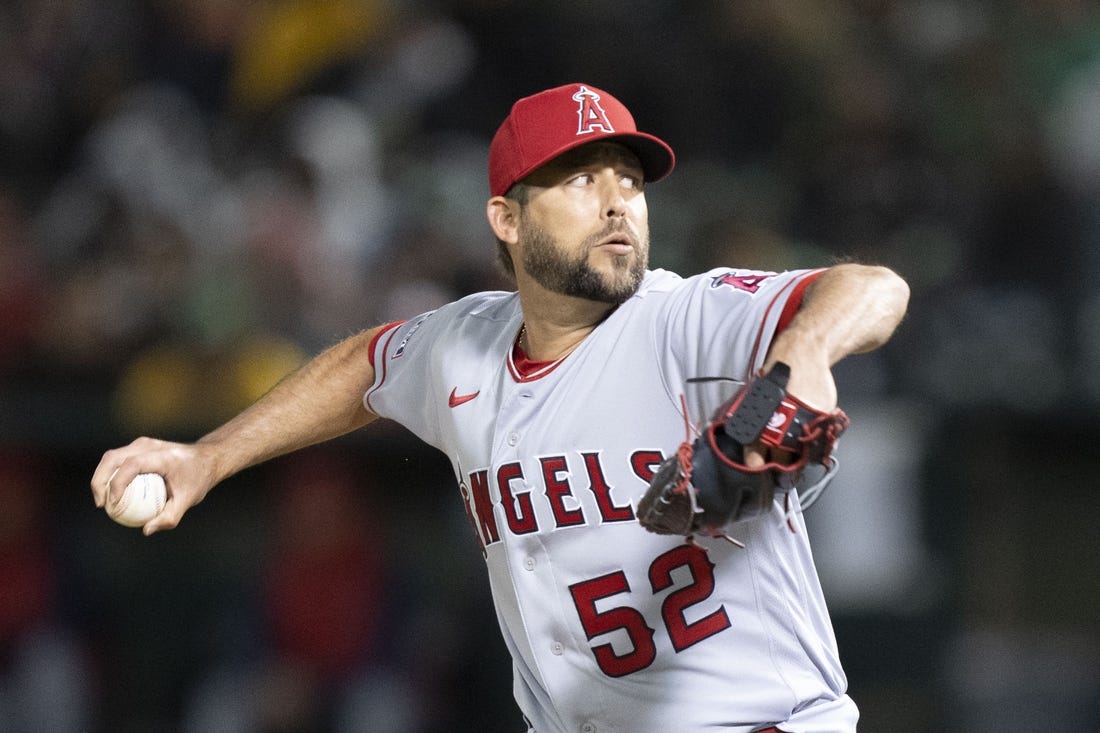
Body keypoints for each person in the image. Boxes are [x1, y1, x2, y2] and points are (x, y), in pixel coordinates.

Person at [92, 82, 910, 733]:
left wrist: (800, 356)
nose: (618, 200)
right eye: (582, 179)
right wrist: (207, 457)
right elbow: (360, 365)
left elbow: (871, 288)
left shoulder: (684, 321)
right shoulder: (464, 345)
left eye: (630, 179)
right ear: (507, 219)